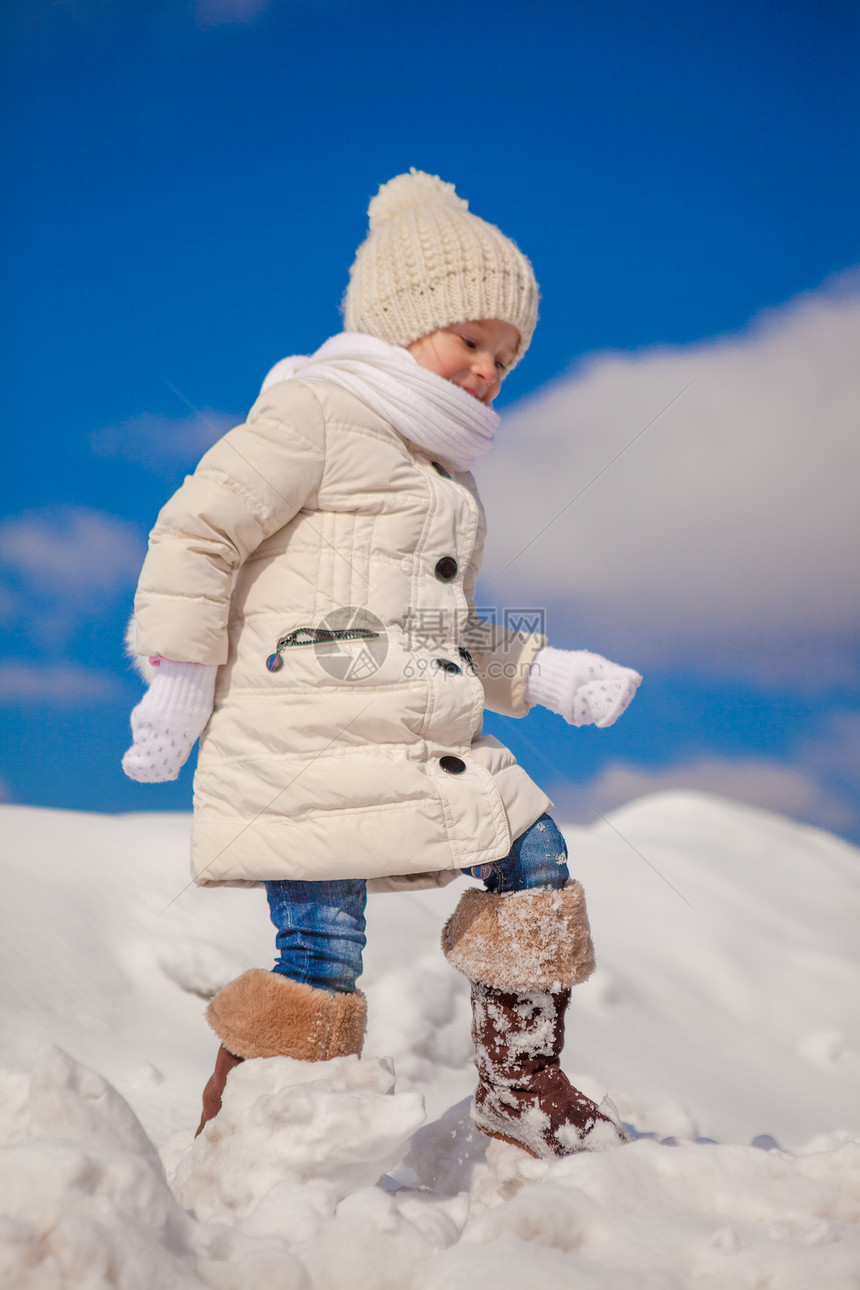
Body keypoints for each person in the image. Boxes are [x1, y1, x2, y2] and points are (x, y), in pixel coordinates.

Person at [123, 169, 641, 1159]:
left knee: (532, 862)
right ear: (404, 323)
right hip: (307, 743)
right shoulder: (314, 415)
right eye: (470, 340)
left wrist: (548, 672)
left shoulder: (446, 477)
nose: (489, 367)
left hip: (422, 743)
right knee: (320, 962)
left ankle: (518, 1085)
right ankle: (244, 1144)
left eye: (507, 353)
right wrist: (179, 676)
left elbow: (439, 630)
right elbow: (197, 532)